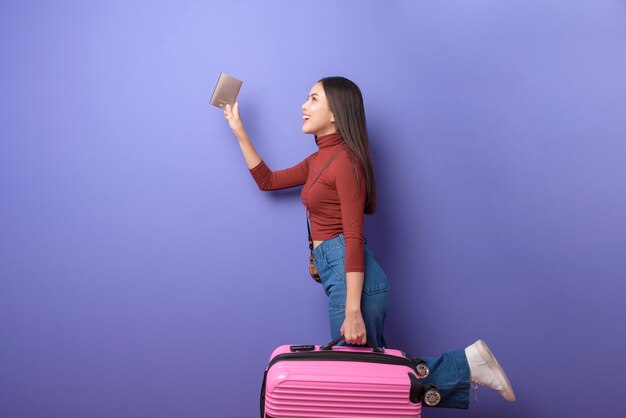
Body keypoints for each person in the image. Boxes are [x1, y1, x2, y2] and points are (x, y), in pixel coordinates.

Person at [223, 76, 516, 409]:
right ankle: (466, 365)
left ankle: (464, 366)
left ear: (336, 113)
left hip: (356, 282)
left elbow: (353, 237)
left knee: (359, 380)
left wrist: (352, 310)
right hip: (339, 273)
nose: (304, 106)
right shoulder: (320, 158)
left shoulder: (345, 162)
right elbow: (268, 181)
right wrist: (239, 129)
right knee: (369, 379)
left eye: (313, 99)